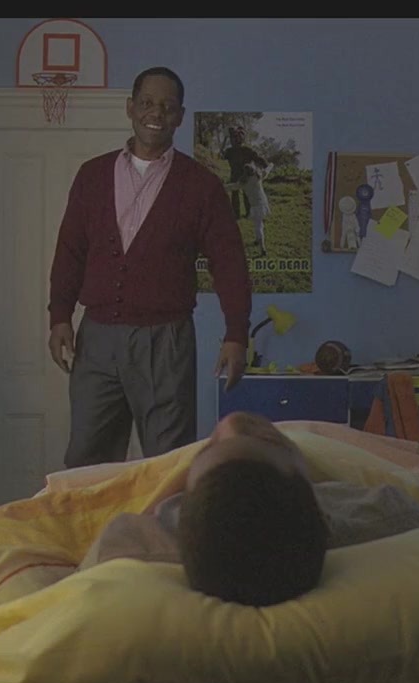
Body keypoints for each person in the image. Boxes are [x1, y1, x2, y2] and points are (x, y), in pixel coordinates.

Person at [47, 67, 253, 469]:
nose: (155, 113)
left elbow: (229, 264)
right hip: (97, 339)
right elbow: (70, 250)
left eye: (167, 106)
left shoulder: (201, 186)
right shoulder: (92, 176)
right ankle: (97, 516)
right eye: (146, 103)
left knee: (168, 462)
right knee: (87, 459)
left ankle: (165, 515)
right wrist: (59, 316)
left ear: (179, 116)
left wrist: (236, 334)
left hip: (165, 342)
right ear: (130, 107)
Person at [76, 412, 419, 607]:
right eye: (269, 442)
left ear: (181, 509)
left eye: (208, 450)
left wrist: (182, 472)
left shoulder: (130, 543)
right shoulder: (386, 513)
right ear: (317, 505)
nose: (231, 424)